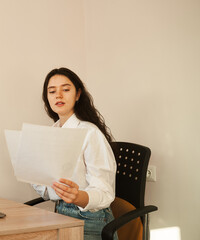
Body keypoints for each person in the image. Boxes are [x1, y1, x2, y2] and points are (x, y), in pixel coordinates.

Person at [32, 67, 118, 240]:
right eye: (52, 91)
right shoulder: (51, 134)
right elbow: (48, 192)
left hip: (90, 218)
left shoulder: (90, 133)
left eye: (65, 89)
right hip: (60, 213)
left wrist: (79, 196)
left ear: (77, 94)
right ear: (47, 98)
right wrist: (33, 174)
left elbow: (105, 192)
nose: (58, 95)